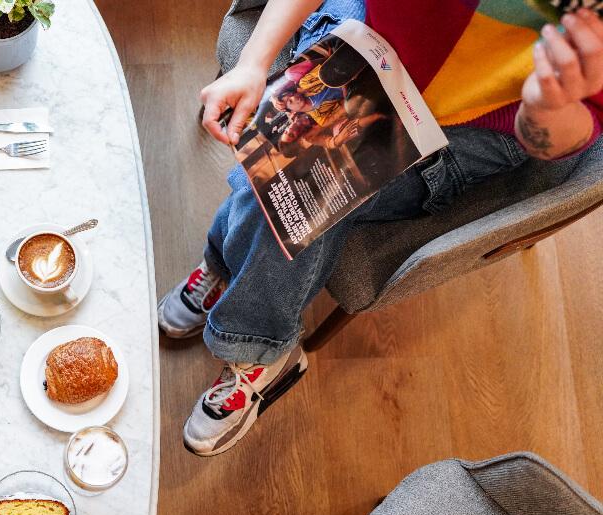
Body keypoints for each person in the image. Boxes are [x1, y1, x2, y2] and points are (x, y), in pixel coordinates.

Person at [159, 0, 603, 457]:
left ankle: (247, 323)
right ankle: (249, 314)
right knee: (285, 177)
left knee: (296, 184)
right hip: (364, 38)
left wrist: (551, 102)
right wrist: (252, 62)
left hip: (471, 126)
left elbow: (567, 136)